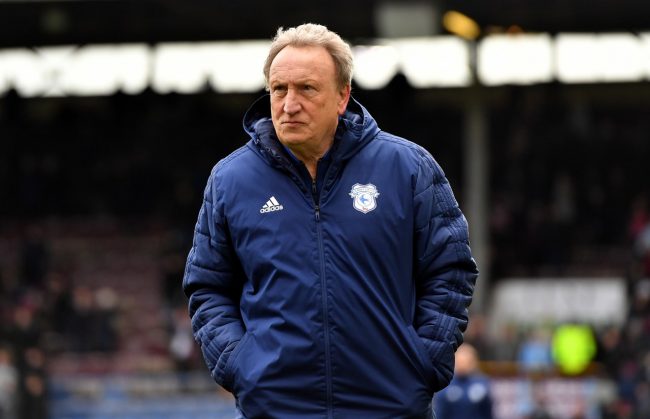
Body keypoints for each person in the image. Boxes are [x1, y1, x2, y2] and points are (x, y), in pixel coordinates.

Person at [183, 23, 478, 419]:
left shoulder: (408, 168)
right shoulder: (230, 180)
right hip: (275, 408)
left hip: (389, 405)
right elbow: (207, 286)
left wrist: (422, 361)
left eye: (306, 89)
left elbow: (451, 269)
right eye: (279, 89)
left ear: (343, 96)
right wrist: (240, 365)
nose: (289, 104)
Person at [434, 344, 494, 419]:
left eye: (467, 361)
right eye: (460, 361)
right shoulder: (445, 383)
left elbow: (488, 412)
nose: (462, 365)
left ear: (474, 362)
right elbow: (440, 412)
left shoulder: (482, 383)